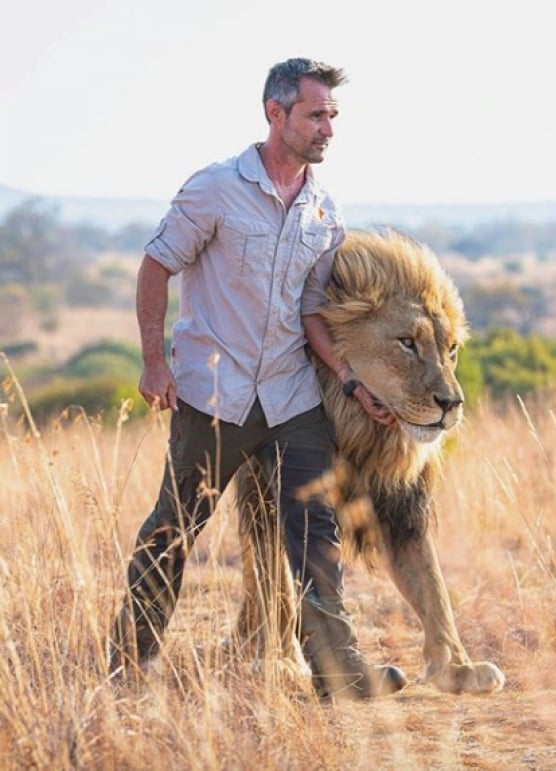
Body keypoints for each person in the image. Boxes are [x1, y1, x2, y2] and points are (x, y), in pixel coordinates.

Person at [108, 58, 405, 700]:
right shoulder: (215, 188)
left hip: (292, 397)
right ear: (276, 114)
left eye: (332, 116)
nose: (328, 128)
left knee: (314, 531)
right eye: (316, 114)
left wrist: (351, 382)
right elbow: (157, 266)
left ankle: (335, 668)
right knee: (176, 526)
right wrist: (155, 361)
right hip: (215, 395)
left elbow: (310, 313)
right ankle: (129, 665)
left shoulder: (324, 209)